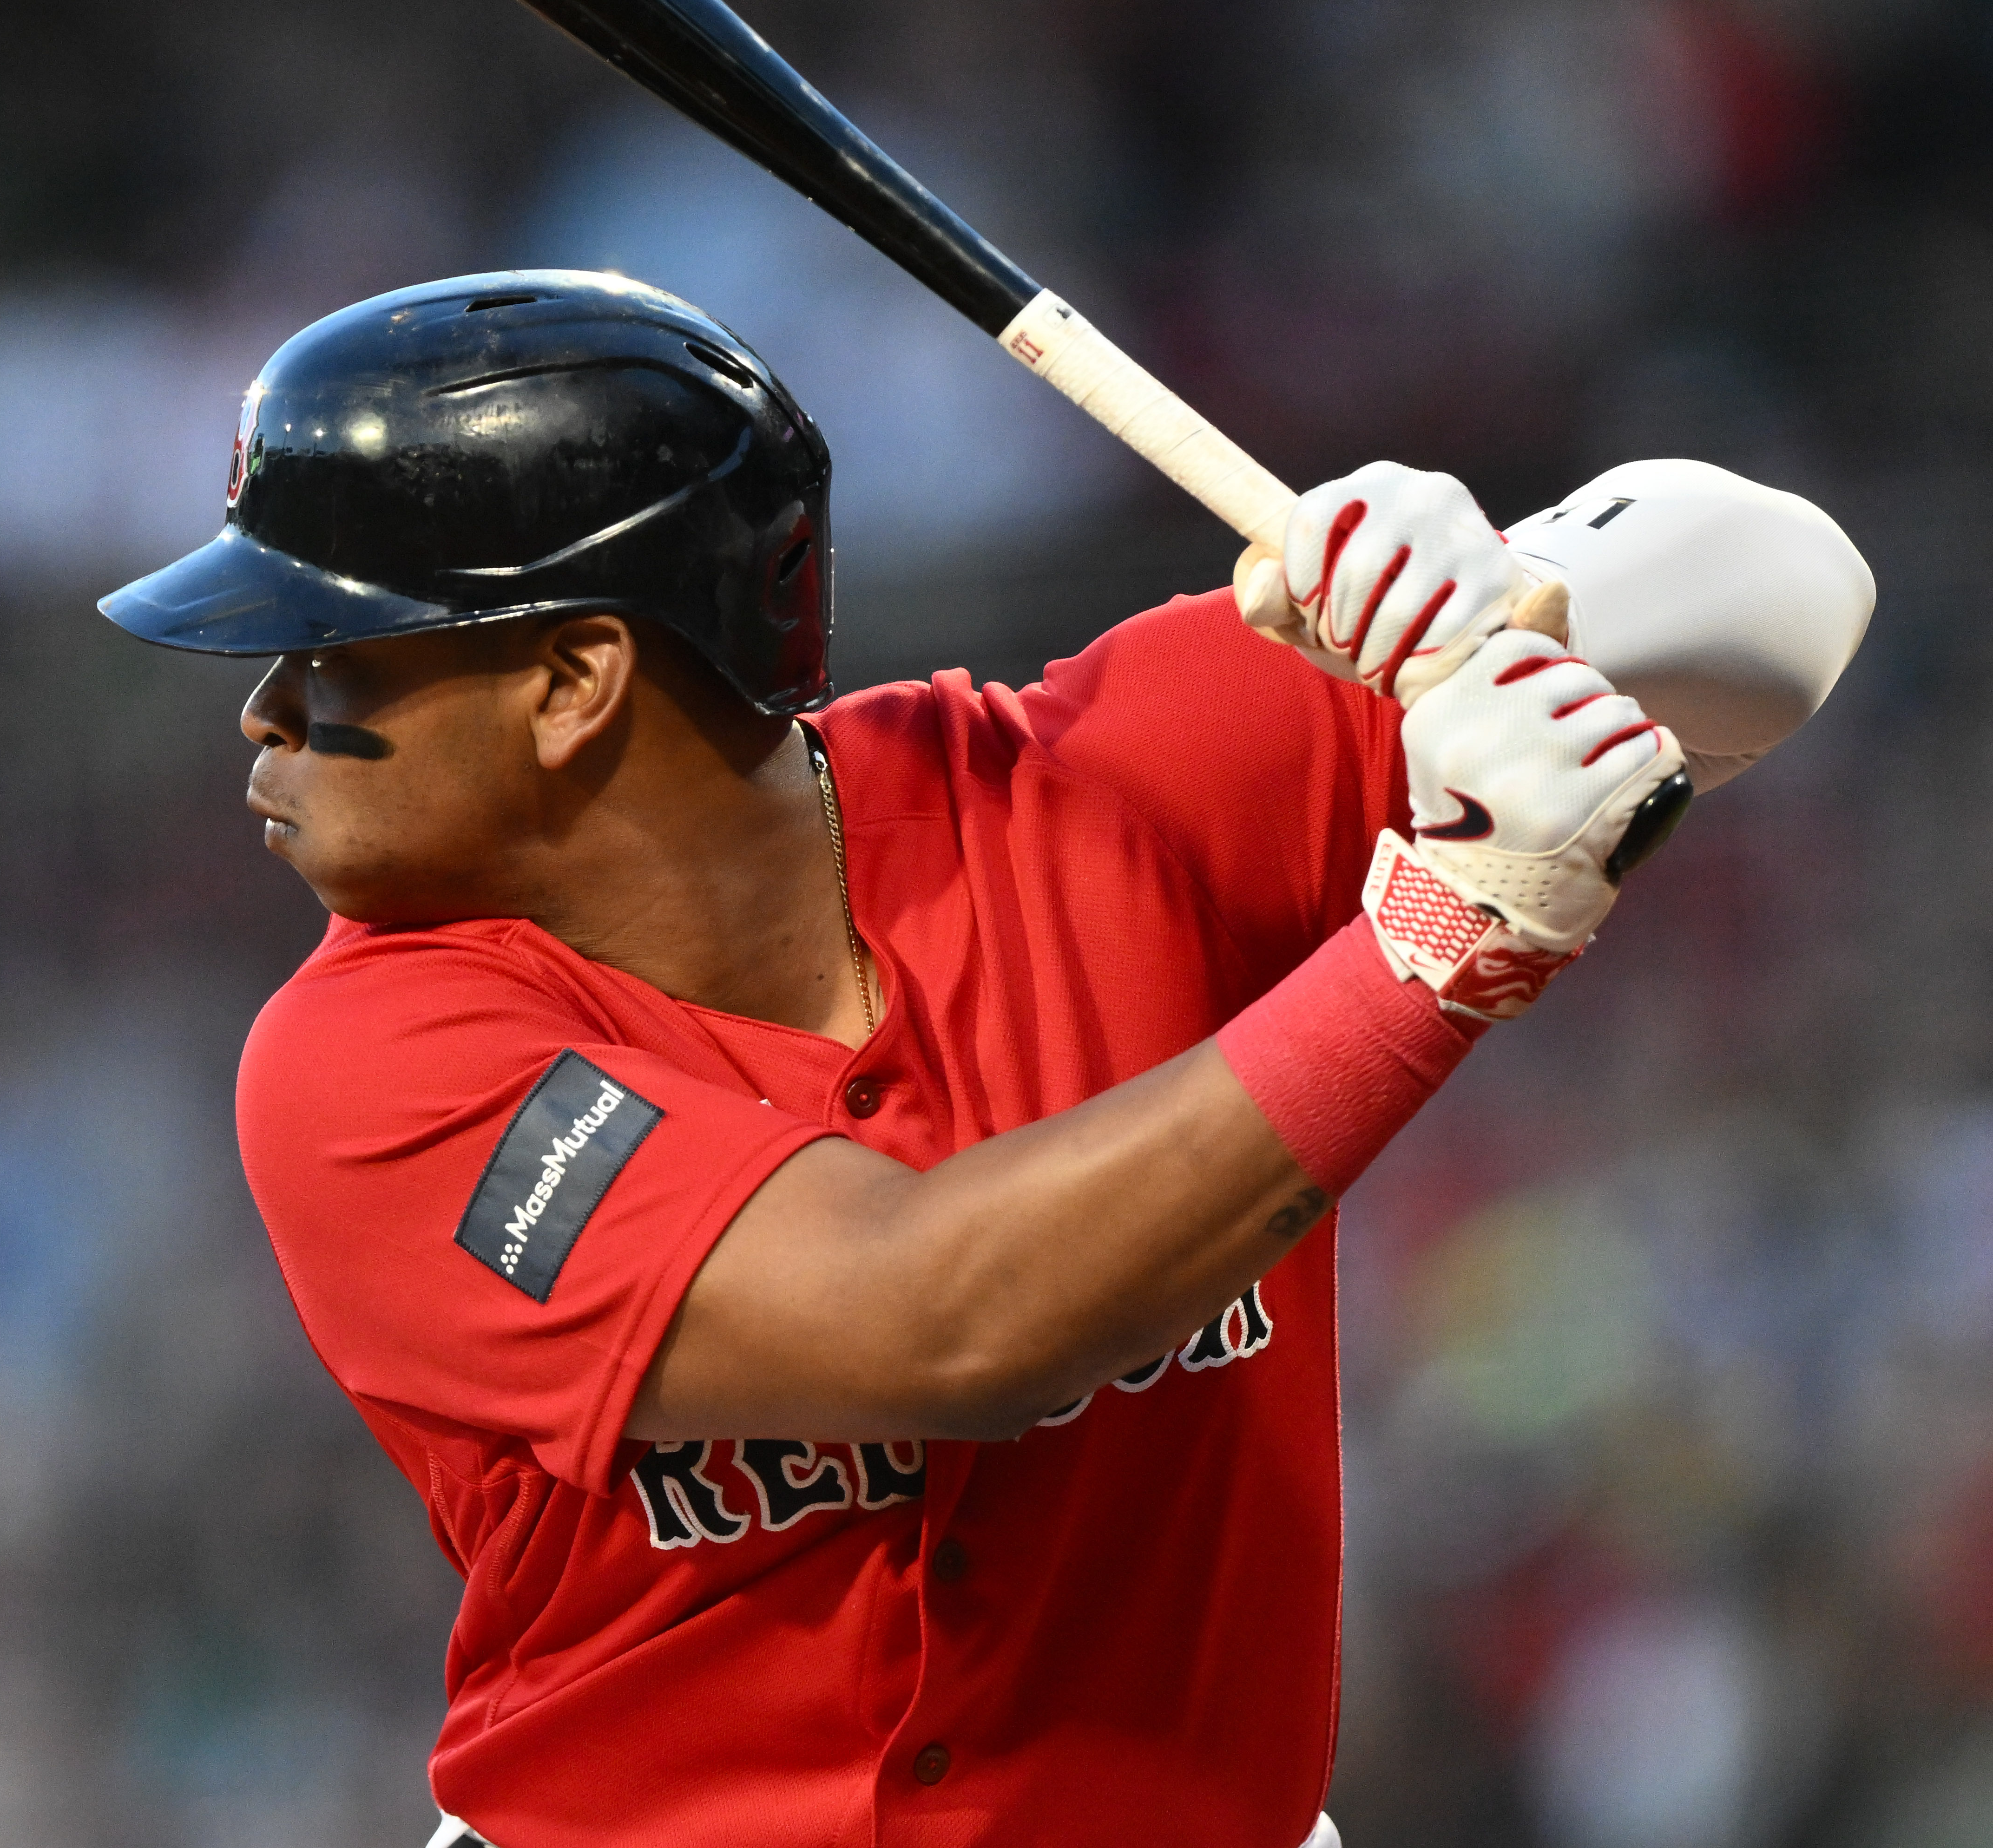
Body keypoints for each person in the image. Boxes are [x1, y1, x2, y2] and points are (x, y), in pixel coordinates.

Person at [97, 271, 1873, 1848]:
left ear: (575, 682)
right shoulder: (366, 1054)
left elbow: (1793, 591)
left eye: (327, 651)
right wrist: (1434, 952)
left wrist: (1517, 585)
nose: (263, 714)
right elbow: (941, 1323)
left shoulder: (1098, 787)